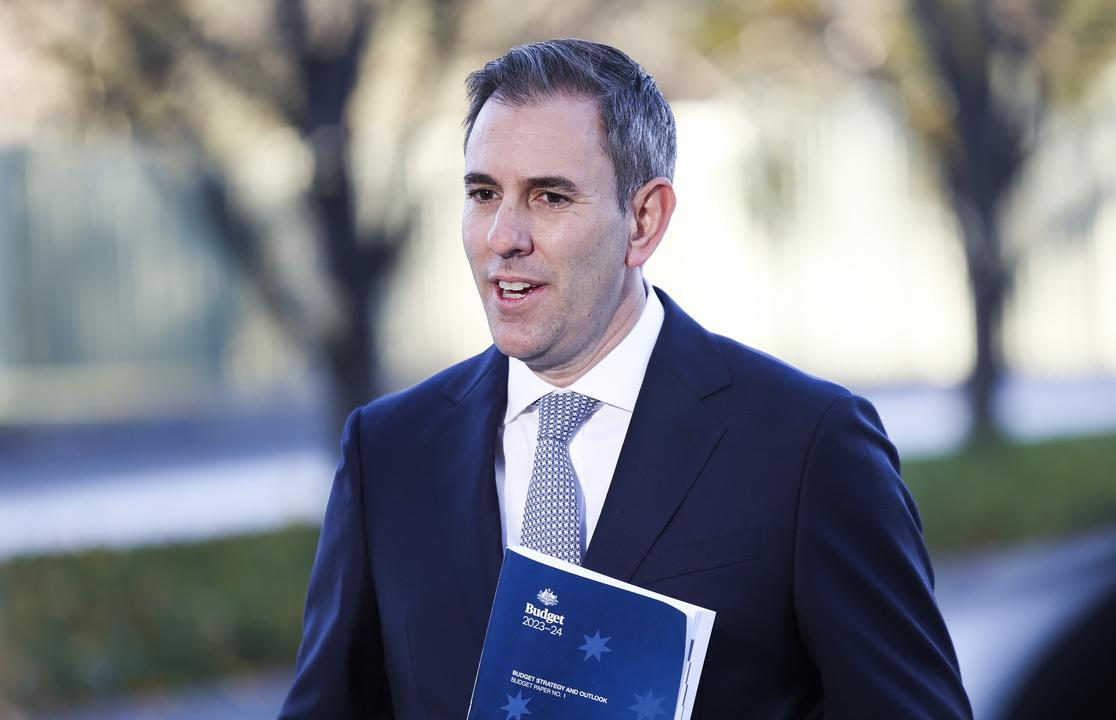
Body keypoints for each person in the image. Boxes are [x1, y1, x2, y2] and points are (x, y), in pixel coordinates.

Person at [280, 38, 970, 719]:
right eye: (484, 193)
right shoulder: (389, 453)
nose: (503, 236)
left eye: (549, 197)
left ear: (644, 220)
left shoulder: (808, 447)